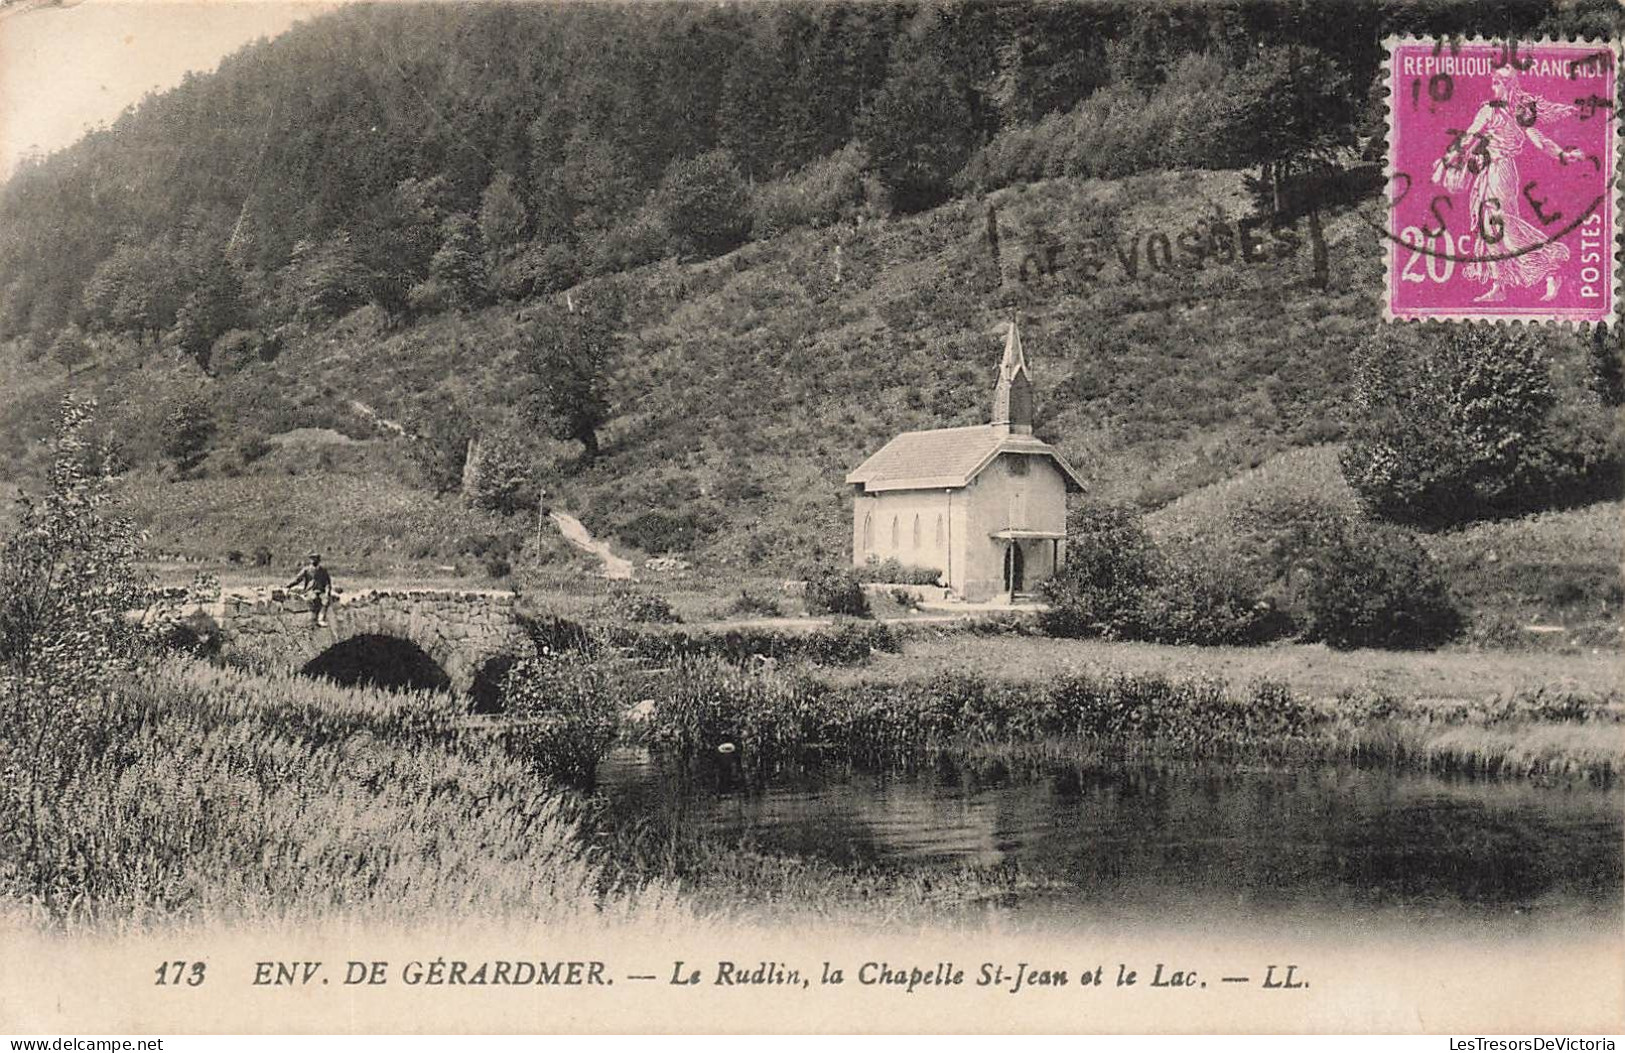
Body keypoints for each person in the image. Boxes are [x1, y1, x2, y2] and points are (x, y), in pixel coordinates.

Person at [1431, 65, 1584, 304]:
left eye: (1497, 83)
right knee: (1488, 228)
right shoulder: (1489, 111)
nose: (1493, 88)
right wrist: (1451, 157)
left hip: (1501, 171)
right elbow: (1470, 138)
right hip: (1488, 171)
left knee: (1504, 225)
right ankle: (1499, 285)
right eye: (1493, 83)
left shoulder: (1516, 112)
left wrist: (1562, 154)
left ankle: (1551, 267)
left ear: (1507, 85)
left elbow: (1539, 141)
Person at [286, 551, 333, 627]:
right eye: (312, 559)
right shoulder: (306, 570)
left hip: (321, 591)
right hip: (310, 591)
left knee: (326, 601)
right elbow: (297, 580)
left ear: (319, 560)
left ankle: (320, 619)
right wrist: (287, 586)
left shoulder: (323, 570)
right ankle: (312, 619)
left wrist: (327, 592)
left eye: (315, 559)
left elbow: (328, 583)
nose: (313, 561)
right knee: (314, 598)